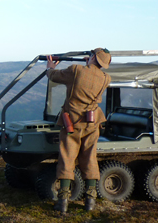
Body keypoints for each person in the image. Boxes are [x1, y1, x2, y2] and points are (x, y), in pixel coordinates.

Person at [46, 48, 112, 213]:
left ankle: (63, 202)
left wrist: (50, 67)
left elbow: (54, 77)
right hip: (92, 122)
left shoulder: (76, 70)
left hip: (72, 123)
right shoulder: (106, 78)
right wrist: (90, 63)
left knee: (67, 157)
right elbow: (90, 77)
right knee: (90, 157)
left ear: (92, 57)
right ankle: (90, 201)